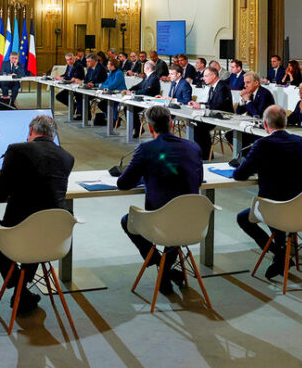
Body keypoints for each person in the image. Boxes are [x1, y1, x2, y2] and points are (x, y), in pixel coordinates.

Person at [0, 114, 74, 314]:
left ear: (31, 132)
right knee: (36, 236)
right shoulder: (67, 157)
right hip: (54, 236)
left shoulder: (17, 150)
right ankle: (22, 292)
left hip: (18, 232)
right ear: (53, 135)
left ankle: (18, 287)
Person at [116, 105, 203, 296]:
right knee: (175, 217)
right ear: (171, 123)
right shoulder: (194, 147)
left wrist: (144, 175)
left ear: (149, 127)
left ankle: (159, 264)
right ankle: (166, 269)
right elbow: (198, 180)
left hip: (159, 223)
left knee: (127, 220)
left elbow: (123, 184)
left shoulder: (146, 149)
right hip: (193, 222)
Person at [233, 105, 302, 278]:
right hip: (299, 204)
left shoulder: (262, 144)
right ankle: (282, 252)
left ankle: (279, 253)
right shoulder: (300, 142)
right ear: (285, 123)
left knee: (243, 218)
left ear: (266, 125)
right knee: (279, 204)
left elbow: (240, 174)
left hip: (271, 206)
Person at [191, 67, 234, 159]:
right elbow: (211, 104)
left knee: (199, 127)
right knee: (195, 123)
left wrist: (202, 107)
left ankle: (205, 155)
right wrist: (199, 104)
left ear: (214, 76)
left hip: (224, 118)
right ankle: (204, 153)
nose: (204, 78)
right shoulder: (212, 87)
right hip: (214, 116)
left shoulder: (222, 87)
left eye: (206, 76)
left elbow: (218, 106)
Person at [76, 54, 107, 119]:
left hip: (98, 89)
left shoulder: (101, 68)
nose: (87, 63)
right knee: (78, 94)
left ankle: (86, 115)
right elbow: (86, 78)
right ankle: (83, 114)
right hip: (90, 88)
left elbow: (96, 81)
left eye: (88, 61)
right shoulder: (90, 68)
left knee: (81, 96)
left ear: (94, 61)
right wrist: (83, 82)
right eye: (87, 61)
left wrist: (88, 83)